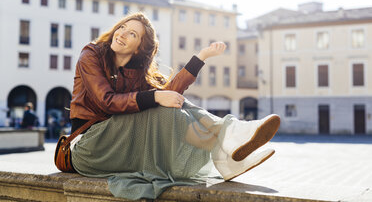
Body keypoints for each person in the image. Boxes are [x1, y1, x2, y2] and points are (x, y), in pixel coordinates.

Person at [69, 12, 280, 200]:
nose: (121, 34)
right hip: (88, 146)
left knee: (171, 102)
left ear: (139, 49)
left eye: (132, 34)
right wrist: (155, 98)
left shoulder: (136, 73)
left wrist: (200, 57)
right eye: (122, 27)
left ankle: (228, 144)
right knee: (160, 103)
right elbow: (107, 101)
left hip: (119, 142)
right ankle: (228, 143)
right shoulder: (91, 55)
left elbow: (170, 94)